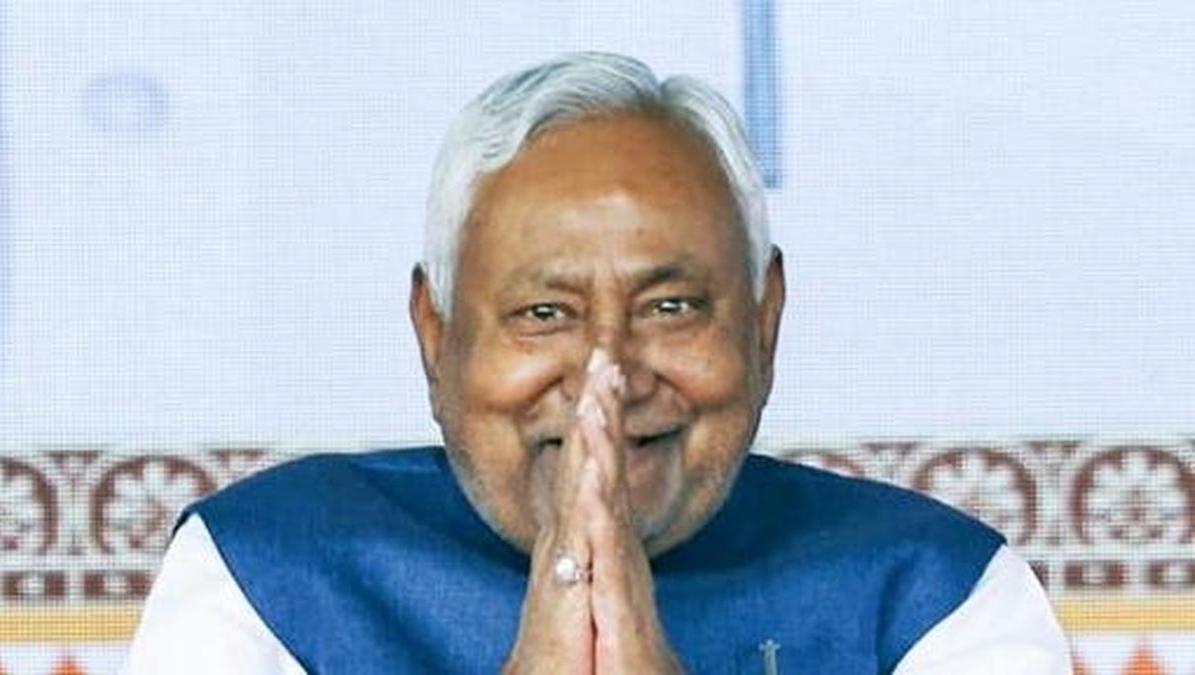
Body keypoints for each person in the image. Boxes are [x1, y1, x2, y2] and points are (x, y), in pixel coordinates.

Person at [122, 52, 1071, 674]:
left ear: (764, 323)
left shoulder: (932, 596)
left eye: (670, 307)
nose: (606, 376)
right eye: (544, 314)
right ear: (435, 337)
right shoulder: (271, 574)